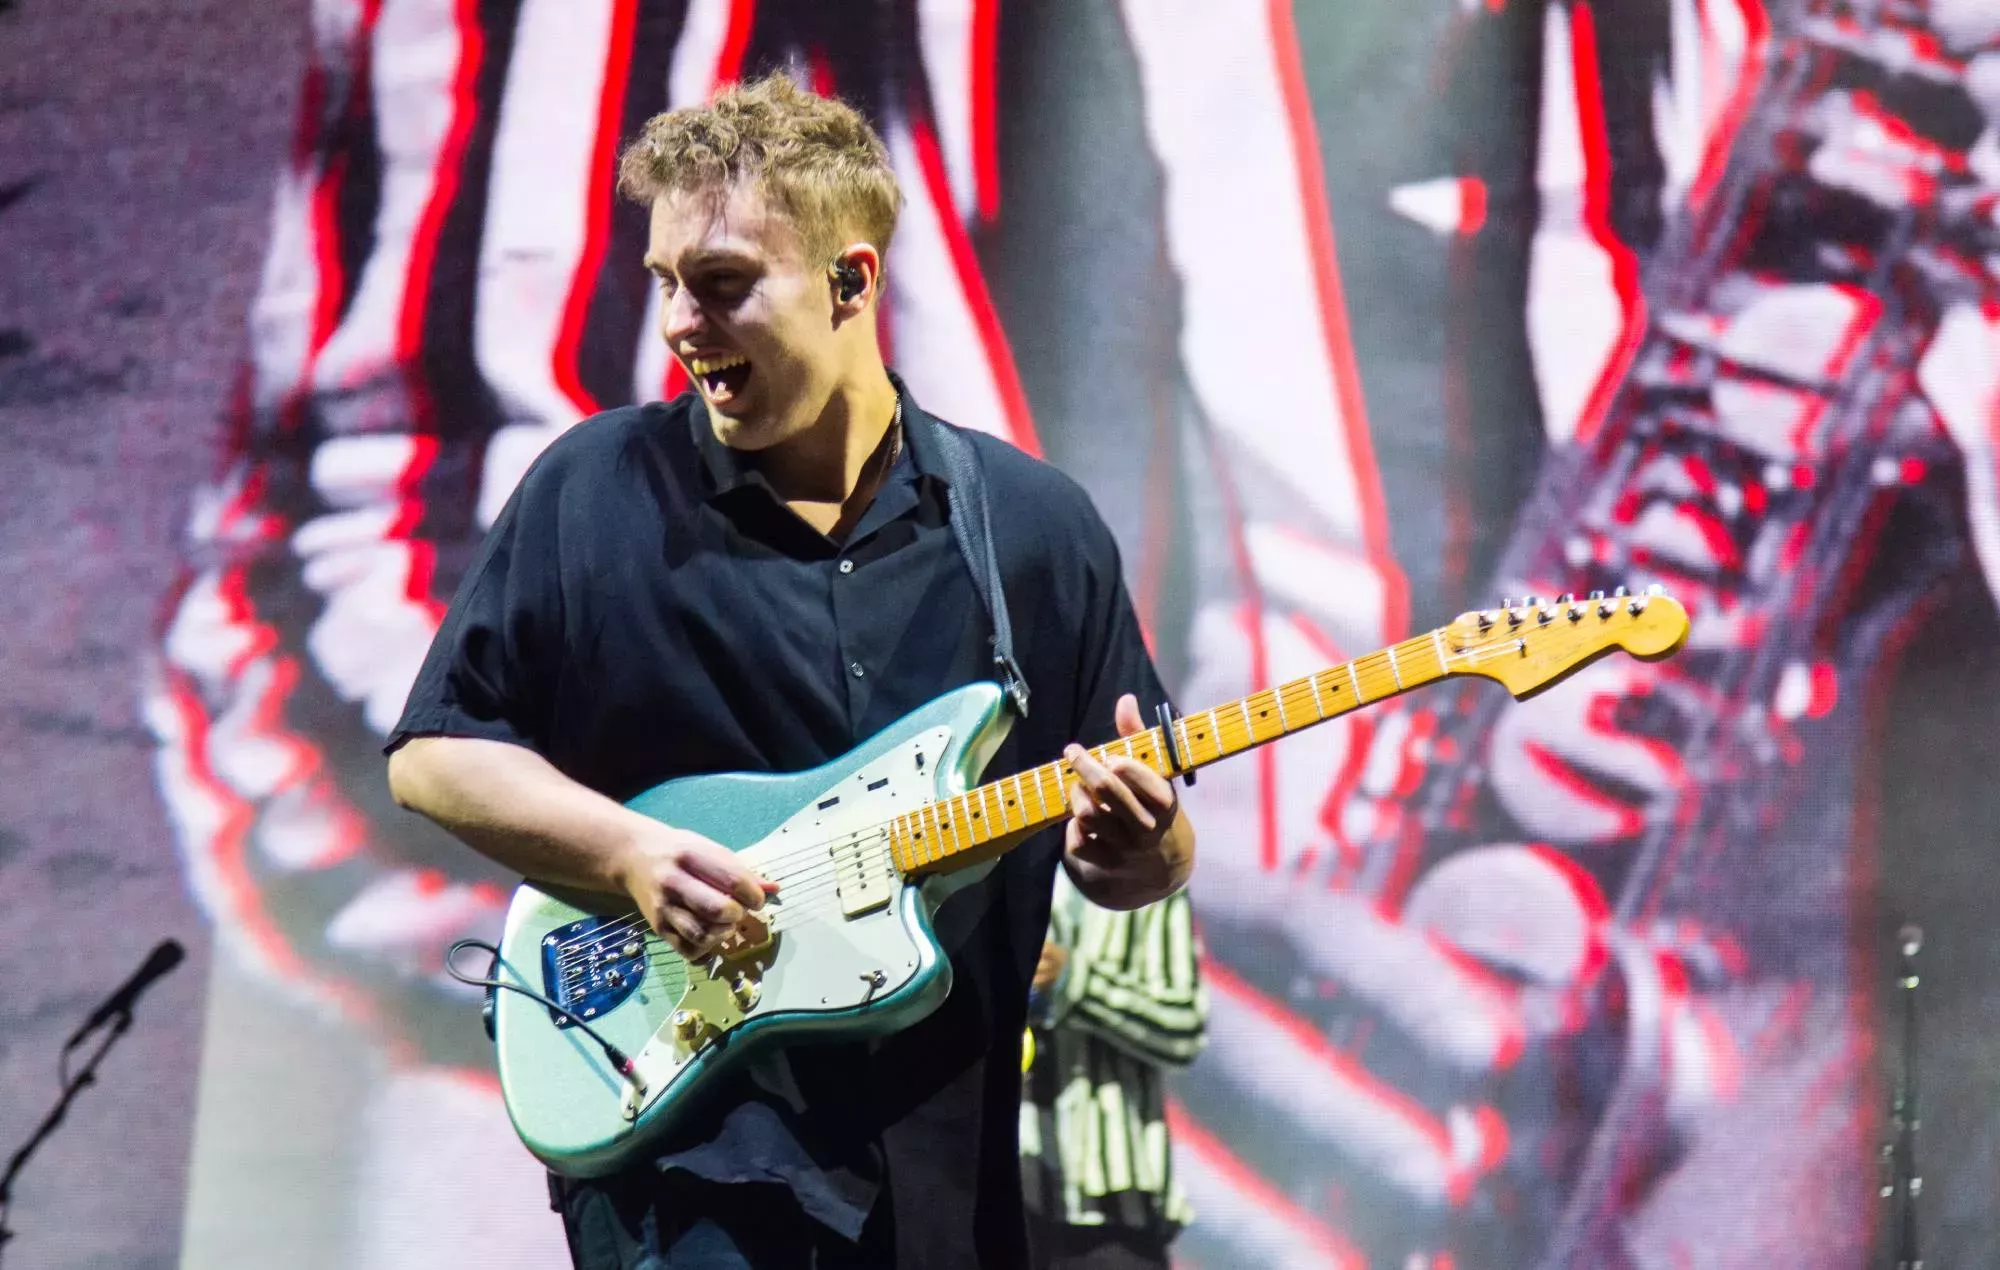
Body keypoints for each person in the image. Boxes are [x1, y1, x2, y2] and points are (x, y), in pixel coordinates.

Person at [382, 73, 1197, 1269]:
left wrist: (1138, 849)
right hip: (685, 1165)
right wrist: (626, 854)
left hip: (944, 1181)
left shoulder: (1030, 527)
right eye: (664, 282)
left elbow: (1148, 861)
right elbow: (435, 756)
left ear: (850, 280)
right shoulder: (594, 489)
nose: (678, 325)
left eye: (719, 286)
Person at [1021, 873, 1205, 1270]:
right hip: (1003, 1191)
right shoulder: (995, 871)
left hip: (1112, 1209)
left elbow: (1185, 1028)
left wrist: (1075, 981)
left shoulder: (1150, 873)